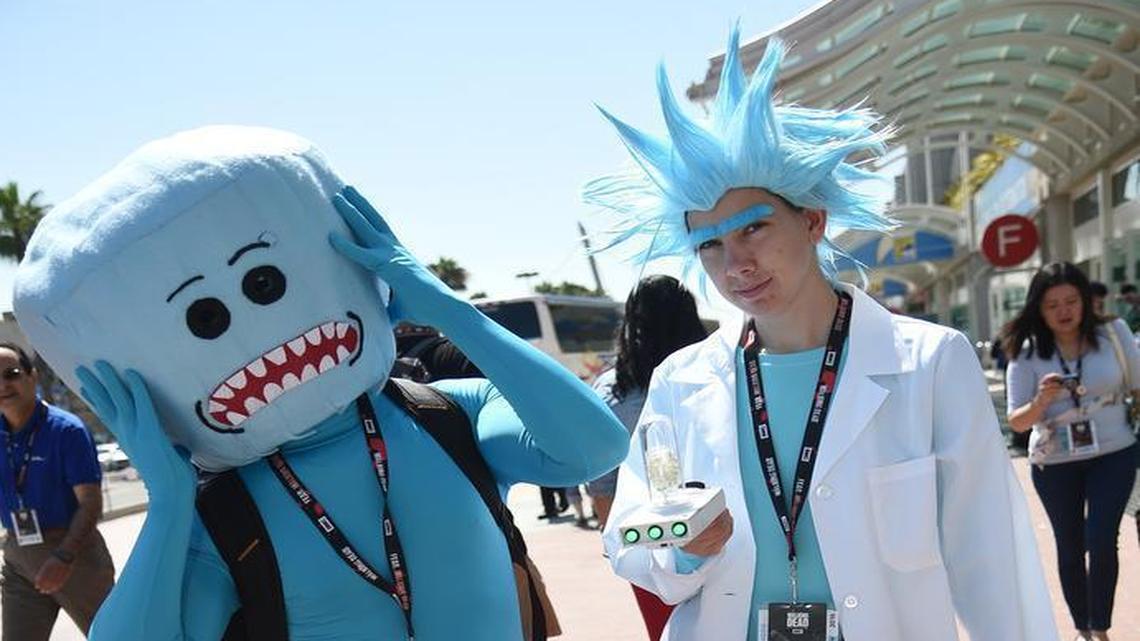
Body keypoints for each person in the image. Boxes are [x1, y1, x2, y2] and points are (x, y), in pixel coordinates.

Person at [13, 126, 629, 641]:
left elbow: (593, 447)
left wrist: (446, 307)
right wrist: (170, 504)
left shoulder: (445, 418)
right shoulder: (226, 515)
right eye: (205, 319)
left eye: (264, 284)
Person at [586, 27, 1057, 641]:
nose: (736, 265)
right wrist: (683, 552)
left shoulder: (930, 361)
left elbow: (990, 557)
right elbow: (628, 534)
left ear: (812, 220)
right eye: (710, 246)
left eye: (753, 229)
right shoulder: (683, 379)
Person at [1003, 262, 1139, 641]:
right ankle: (1083, 626)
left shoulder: (1114, 333)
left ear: (1085, 301)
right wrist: (1042, 399)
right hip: (1055, 461)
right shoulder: (1025, 353)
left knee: (1101, 538)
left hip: (1115, 451)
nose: (1064, 311)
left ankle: (1101, 627)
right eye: (1052, 305)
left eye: (1071, 301)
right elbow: (1017, 421)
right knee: (1070, 544)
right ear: (1038, 309)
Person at [588, 274, 708, 641]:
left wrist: (616, 545)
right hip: (721, 525)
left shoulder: (611, 388)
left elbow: (602, 481)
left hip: (647, 537)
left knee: (668, 631)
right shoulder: (714, 371)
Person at [0, 342, 114, 640]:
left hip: (75, 557)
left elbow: (90, 503)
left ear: (31, 377)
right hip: (19, 558)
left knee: (115, 635)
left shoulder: (66, 430)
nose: (3, 385)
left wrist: (63, 557)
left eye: (11, 374)